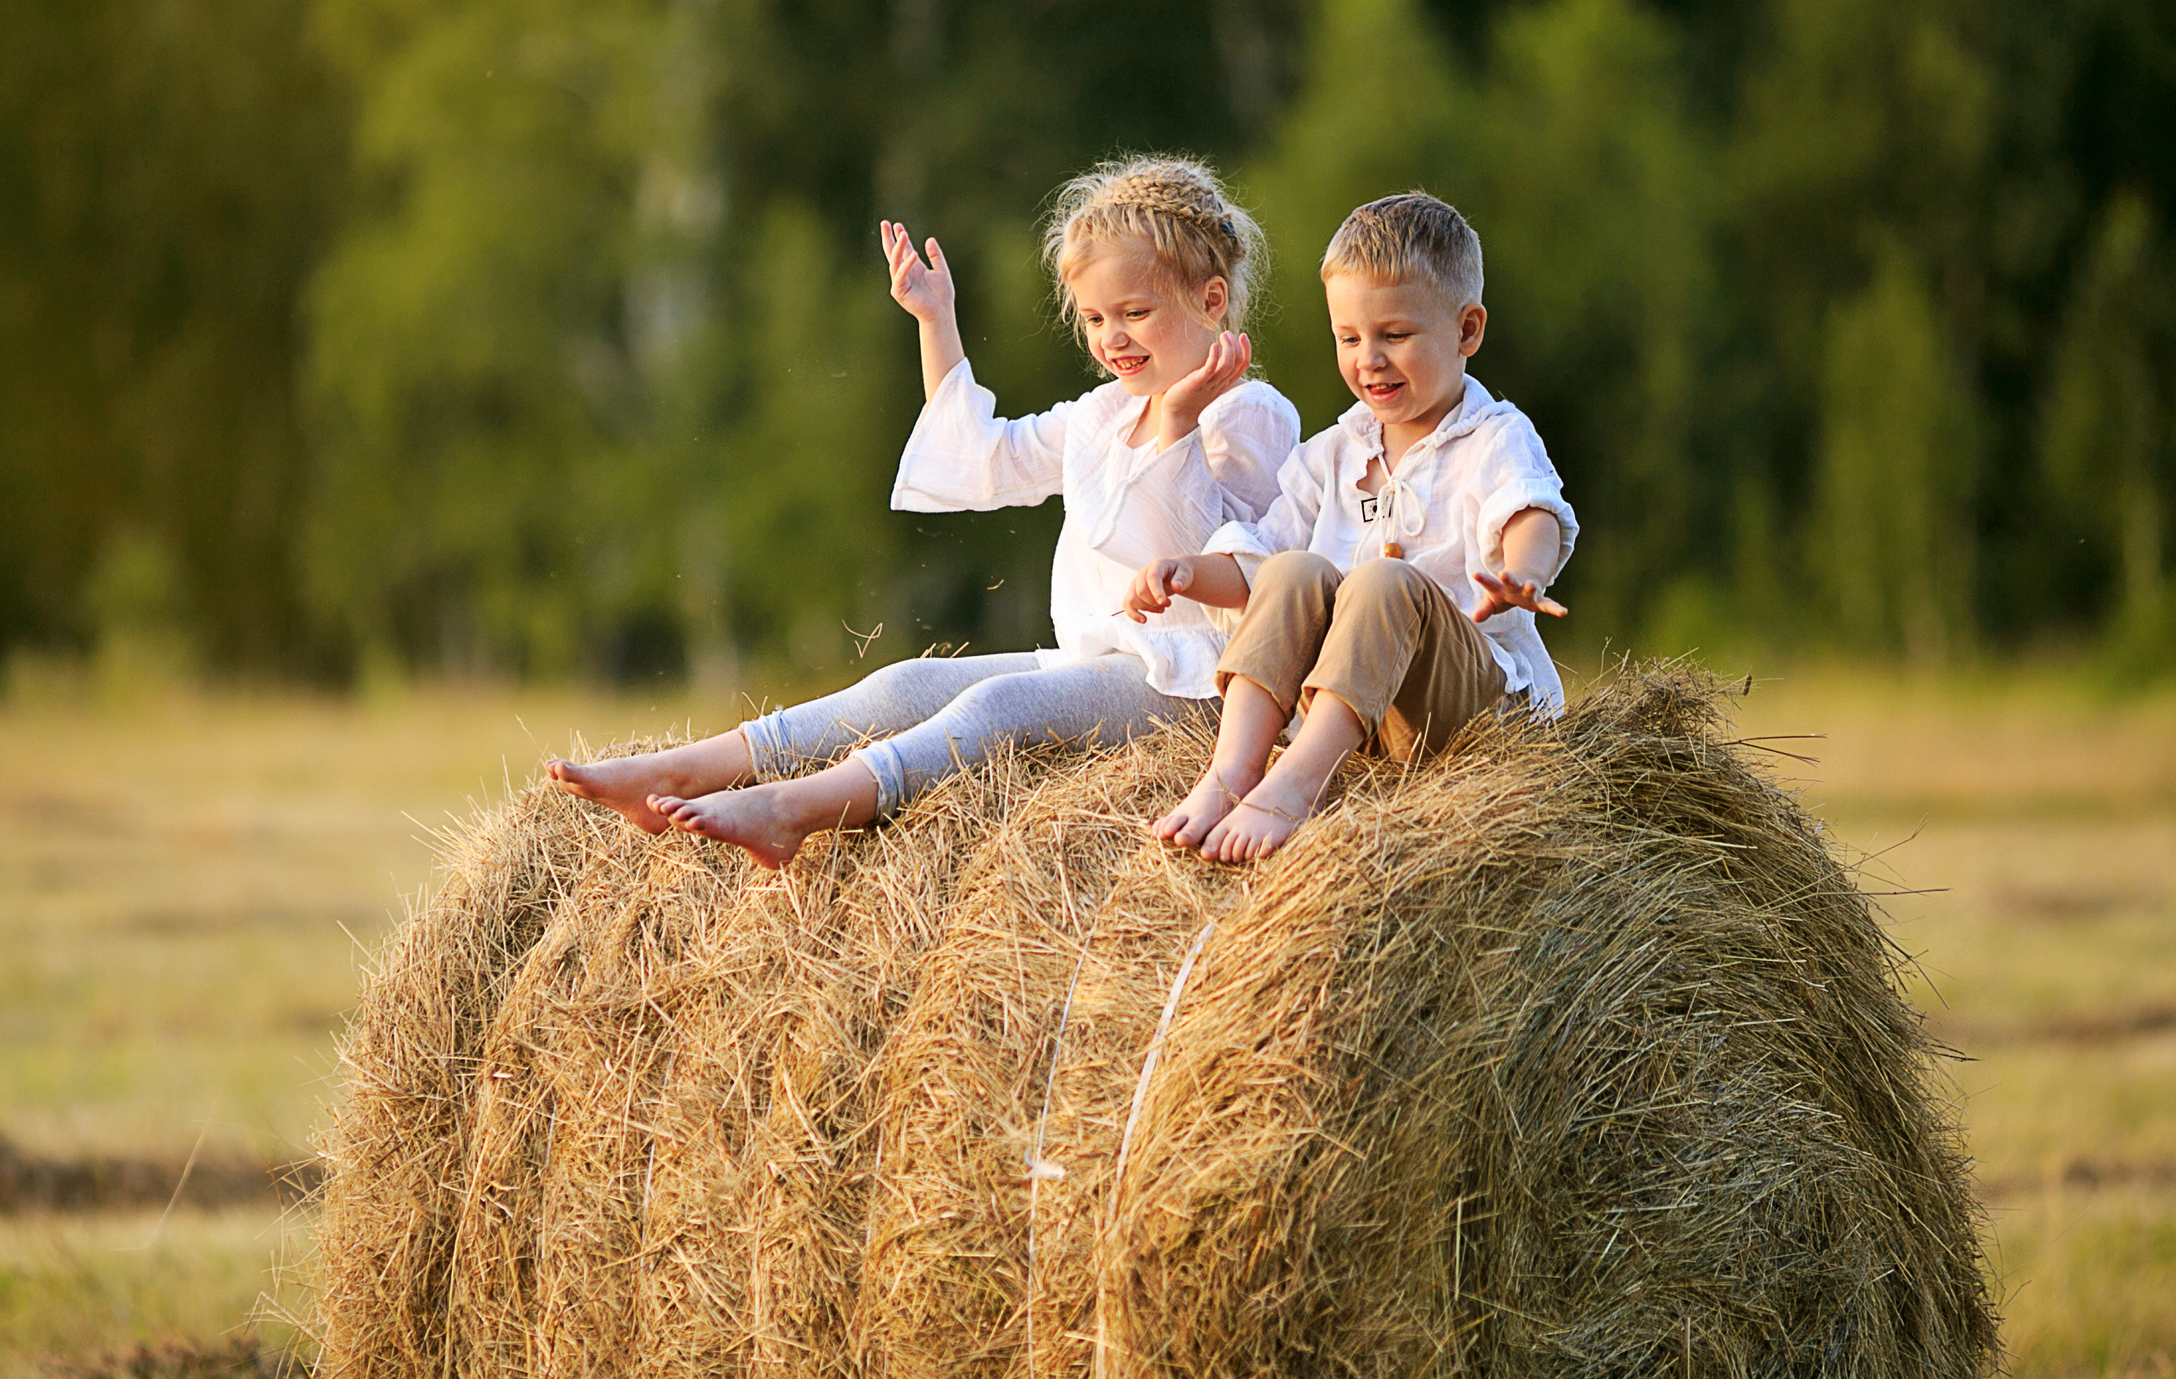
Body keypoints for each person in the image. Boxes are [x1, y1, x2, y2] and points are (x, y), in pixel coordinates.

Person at [547, 156, 1302, 868]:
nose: (1112, 338)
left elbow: (1219, 571)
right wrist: (934, 320)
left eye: (1134, 312)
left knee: (996, 706)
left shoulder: (1249, 413)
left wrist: (1178, 426)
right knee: (903, 683)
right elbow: (989, 457)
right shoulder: (1105, 414)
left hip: (1199, 688)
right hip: (1103, 663)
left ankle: (792, 809)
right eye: (1095, 317)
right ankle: (684, 770)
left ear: (1210, 300)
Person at [1125, 191, 1577, 864]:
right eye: (1349, 337)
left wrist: (1524, 572)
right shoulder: (1334, 454)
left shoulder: (1495, 437)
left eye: (1395, 334)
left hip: (1472, 715)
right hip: (1361, 715)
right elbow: (1259, 560)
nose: (1369, 358)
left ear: (1468, 330)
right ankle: (1234, 770)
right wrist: (1190, 571)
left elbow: (1530, 511)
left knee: (1384, 581)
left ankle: (1297, 783)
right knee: (1295, 570)